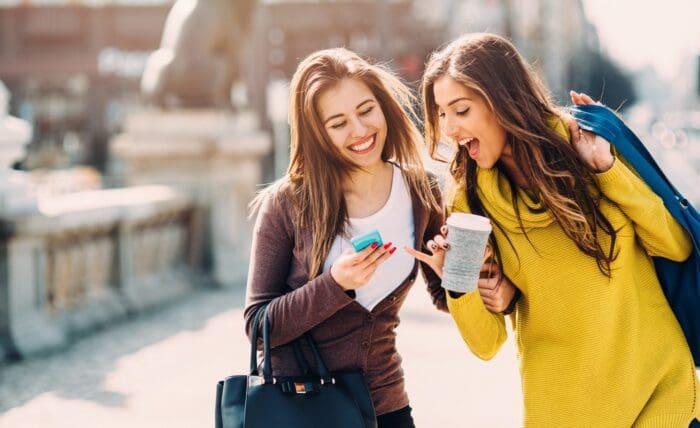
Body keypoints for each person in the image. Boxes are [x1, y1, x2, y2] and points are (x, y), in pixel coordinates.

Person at [410, 33, 700, 426]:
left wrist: (606, 170)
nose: (449, 129)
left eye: (461, 110)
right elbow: (486, 344)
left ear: (503, 100)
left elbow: (676, 245)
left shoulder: (589, 143)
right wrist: (458, 281)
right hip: (563, 410)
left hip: (660, 396)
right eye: (441, 114)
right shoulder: (468, 203)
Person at [244, 47, 447, 428]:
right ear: (317, 134)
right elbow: (258, 327)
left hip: (386, 407)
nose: (359, 131)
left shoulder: (422, 191)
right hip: (301, 409)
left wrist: (460, 273)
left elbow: (445, 296)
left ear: (383, 106)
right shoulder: (287, 203)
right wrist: (335, 284)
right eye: (338, 123)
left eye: (366, 110)